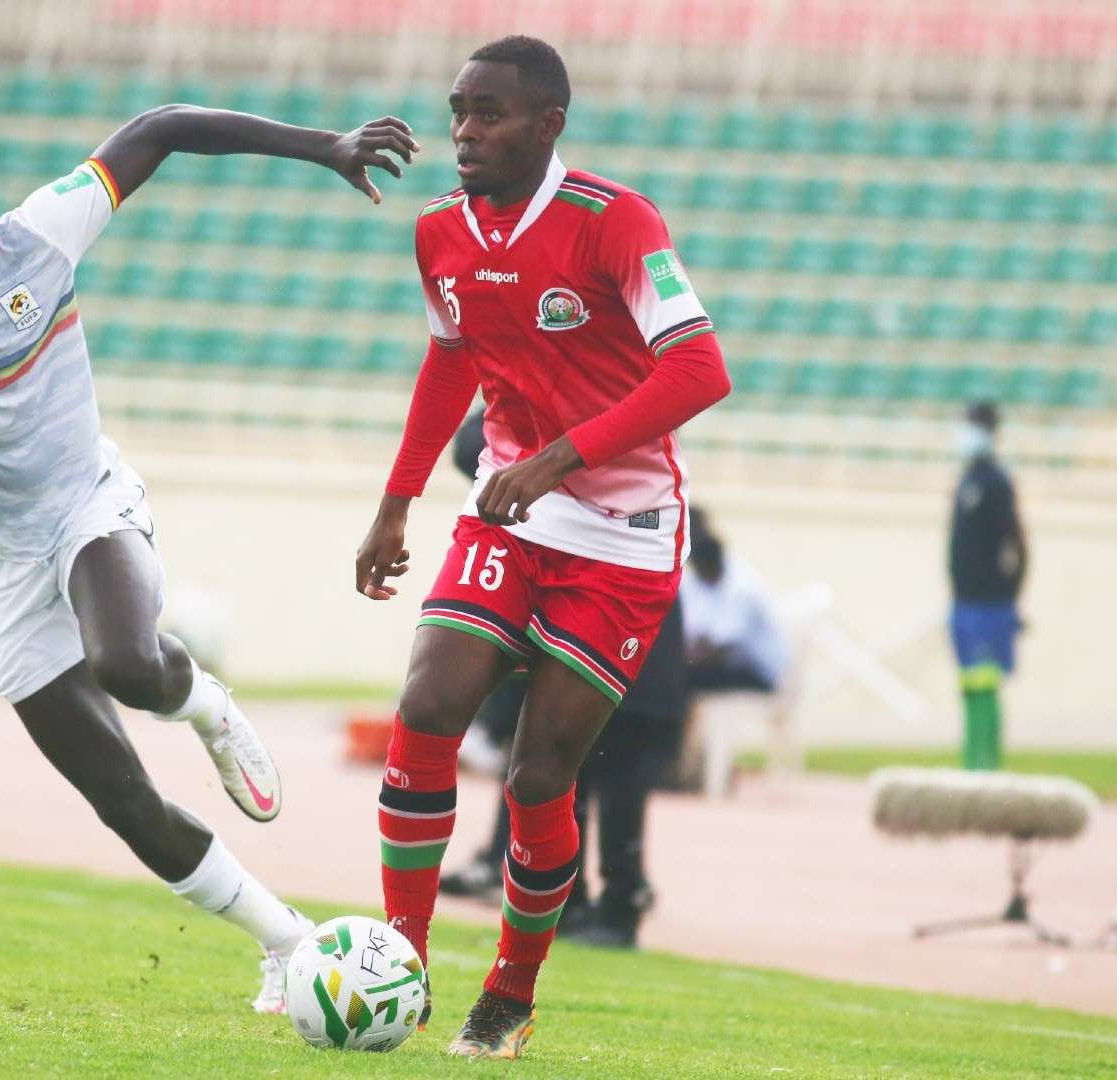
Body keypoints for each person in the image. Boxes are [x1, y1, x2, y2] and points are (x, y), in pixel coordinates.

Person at [0, 109, 419, 1012]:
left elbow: (160, 129)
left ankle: (205, 704)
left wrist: (322, 147)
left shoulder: (42, 234)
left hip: (86, 501)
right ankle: (286, 942)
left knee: (126, 660)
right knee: (120, 799)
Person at [354, 36, 730, 1058]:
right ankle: (401, 962)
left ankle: (511, 995)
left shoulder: (614, 222)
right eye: (458, 111)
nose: (465, 131)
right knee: (428, 706)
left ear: (548, 123)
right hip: (509, 509)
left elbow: (700, 370)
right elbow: (447, 364)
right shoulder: (439, 232)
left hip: (624, 533)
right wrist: (395, 504)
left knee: (537, 777)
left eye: (490, 114)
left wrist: (560, 459)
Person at [440, 410, 692, 955]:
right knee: (554, 775)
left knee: (609, 775)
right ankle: (572, 898)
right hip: (590, 610)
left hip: (627, 620)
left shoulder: (614, 430)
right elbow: (467, 446)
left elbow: (467, 446)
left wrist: (533, 462)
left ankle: (620, 901)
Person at [948, 400, 1026, 771]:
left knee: (985, 684)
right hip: (963, 602)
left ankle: (986, 765)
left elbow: (1019, 545)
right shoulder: (966, 480)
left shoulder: (996, 483)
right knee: (968, 684)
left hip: (989, 603)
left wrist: (1009, 597)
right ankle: (970, 761)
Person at [679, 505, 786, 694]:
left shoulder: (740, 585)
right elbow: (699, 635)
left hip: (760, 672)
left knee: (681, 678)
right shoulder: (703, 580)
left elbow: (719, 650)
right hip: (736, 663)